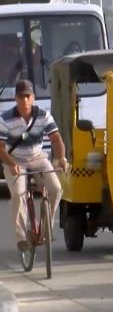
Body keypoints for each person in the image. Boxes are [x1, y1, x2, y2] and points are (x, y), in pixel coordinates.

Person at [0, 80, 67, 251]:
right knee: (19, 194)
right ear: (15, 98)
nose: (25, 100)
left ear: (33, 98)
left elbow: (56, 139)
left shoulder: (43, 115)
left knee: (56, 188)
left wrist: (61, 159)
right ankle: (21, 237)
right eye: (21, 97)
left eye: (28, 96)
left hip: (37, 157)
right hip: (14, 160)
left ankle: (45, 229)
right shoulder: (5, 119)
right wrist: (11, 163)